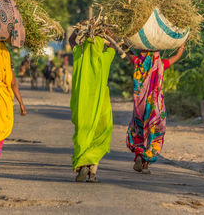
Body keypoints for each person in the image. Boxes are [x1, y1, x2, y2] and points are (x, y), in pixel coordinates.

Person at [126, 42, 186, 174]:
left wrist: (123, 42)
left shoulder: (138, 63)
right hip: (155, 108)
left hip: (139, 107)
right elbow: (177, 56)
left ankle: (139, 155)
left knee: (140, 130)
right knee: (154, 132)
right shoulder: (161, 64)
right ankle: (146, 164)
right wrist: (182, 44)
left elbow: (127, 52)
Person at [69, 31, 115, 182]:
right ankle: (92, 174)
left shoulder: (79, 56)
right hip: (100, 104)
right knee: (100, 135)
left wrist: (78, 31)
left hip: (81, 105)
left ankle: (82, 164)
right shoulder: (104, 58)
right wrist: (109, 35)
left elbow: (71, 40)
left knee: (83, 134)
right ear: (100, 46)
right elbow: (114, 46)